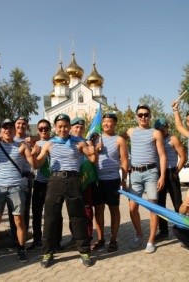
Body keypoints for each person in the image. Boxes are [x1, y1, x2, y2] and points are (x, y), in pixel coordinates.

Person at [36, 113, 97, 268]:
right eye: (60, 126)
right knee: (50, 216)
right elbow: (37, 163)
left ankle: (83, 250)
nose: (63, 129)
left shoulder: (78, 142)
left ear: (70, 127)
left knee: (78, 216)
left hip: (73, 180)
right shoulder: (50, 143)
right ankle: (48, 252)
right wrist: (32, 154)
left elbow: (93, 159)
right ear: (55, 128)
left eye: (65, 126)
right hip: (55, 180)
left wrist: (93, 149)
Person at [0, 119, 38, 264]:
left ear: (14, 131)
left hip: (16, 188)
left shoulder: (21, 145)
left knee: (19, 220)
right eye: (5, 128)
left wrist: (33, 152)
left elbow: (33, 164)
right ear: (0, 131)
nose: (8, 130)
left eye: (10, 128)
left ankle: (21, 249)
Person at [121, 104, 166, 253]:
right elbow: (117, 140)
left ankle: (151, 240)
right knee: (133, 208)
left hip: (151, 172)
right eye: (140, 115)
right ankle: (139, 235)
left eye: (146, 114)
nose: (143, 117)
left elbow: (162, 155)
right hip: (134, 173)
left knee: (153, 207)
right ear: (136, 117)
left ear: (150, 116)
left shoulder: (155, 133)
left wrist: (163, 175)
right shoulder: (131, 131)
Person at [92, 112, 129, 253]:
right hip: (97, 180)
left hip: (112, 180)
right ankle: (100, 239)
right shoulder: (95, 138)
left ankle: (113, 240)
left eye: (109, 121)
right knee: (99, 210)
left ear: (115, 124)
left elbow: (125, 161)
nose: (106, 124)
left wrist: (124, 180)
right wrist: (95, 149)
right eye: (104, 121)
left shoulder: (119, 140)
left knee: (114, 209)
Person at [63, 117, 94, 249]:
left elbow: (93, 159)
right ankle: (75, 236)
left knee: (87, 209)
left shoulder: (87, 143)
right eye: (76, 127)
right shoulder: (66, 142)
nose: (79, 129)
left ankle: (87, 236)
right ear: (71, 128)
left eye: (81, 128)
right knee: (73, 209)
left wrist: (93, 148)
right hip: (71, 180)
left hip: (85, 179)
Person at [153, 117, 186, 241]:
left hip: (171, 171)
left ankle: (182, 229)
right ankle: (163, 231)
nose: (162, 130)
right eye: (159, 129)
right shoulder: (155, 139)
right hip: (158, 173)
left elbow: (183, 157)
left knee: (177, 202)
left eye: (164, 128)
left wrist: (176, 170)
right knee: (160, 204)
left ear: (167, 127)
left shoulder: (173, 139)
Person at [26, 119, 53, 251]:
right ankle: (37, 239)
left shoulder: (55, 143)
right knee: (36, 213)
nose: (43, 131)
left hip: (53, 182)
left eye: (46, 128)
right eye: (41, 128)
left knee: (53, 213)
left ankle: (54, 240)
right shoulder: (35, 144)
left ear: (50, 129)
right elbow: (33, 164)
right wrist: (33, 153)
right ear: (37, 130)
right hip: (39, 182)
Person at [8, 116, 34, 248]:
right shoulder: (9, 139)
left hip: (26, 177)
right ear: (14, 125)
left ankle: (23, 240)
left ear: (27, 126)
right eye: (18, 123)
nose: (21, 126)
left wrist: (34, 139)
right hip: (11, 178)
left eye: (24, 124)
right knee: (13, 211)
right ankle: (14, 239)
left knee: (24, 210)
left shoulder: (30, 140)